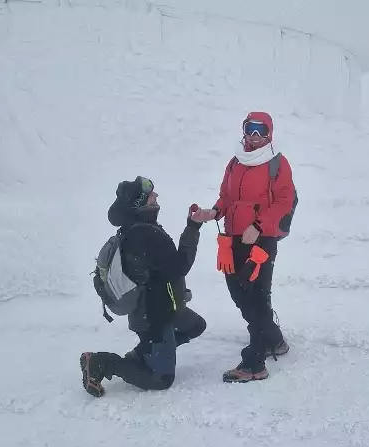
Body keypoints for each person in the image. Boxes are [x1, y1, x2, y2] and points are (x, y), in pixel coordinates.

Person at [80, 176, 206, 397]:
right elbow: (179, 267)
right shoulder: (144, 234)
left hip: (166, 306)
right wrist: (193, 227)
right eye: (150, 195)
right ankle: (102, 363)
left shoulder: (139, 228)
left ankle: (145, 353)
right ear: (139, 204)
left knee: (195, 326)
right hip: (154, 317)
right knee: (161, 379)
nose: (156, 196)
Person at [192, 111, 294, 383]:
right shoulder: (235, 162)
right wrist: (211, 213)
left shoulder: (277, 163)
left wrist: (258, 227)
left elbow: (285, 201)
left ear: (270, 133)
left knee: (257, 297)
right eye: (251, 129)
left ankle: (254, 364)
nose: (255, 136)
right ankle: (273, 339)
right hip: (234, 238)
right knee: (239, 293)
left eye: (261, 130)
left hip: (261, 240)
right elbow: (226, 198)